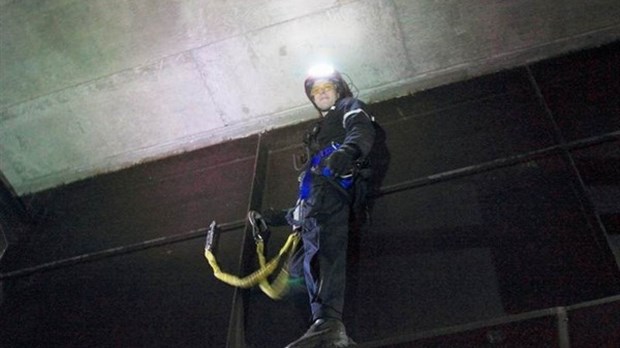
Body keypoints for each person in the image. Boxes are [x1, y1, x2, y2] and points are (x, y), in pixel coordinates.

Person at [283, 66, 377, 348]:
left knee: (325, 251)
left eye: (326, 88)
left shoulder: (348, 107)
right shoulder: (315, 132)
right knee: (298, 269)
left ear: (337, 91)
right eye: (316, 91)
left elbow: (361, 129)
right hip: (312, 201)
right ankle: (327, 330)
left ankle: (329, 324)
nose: (321, 94)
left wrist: (349, 151)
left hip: (333, 190)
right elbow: (308, 182)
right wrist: (282, 217)